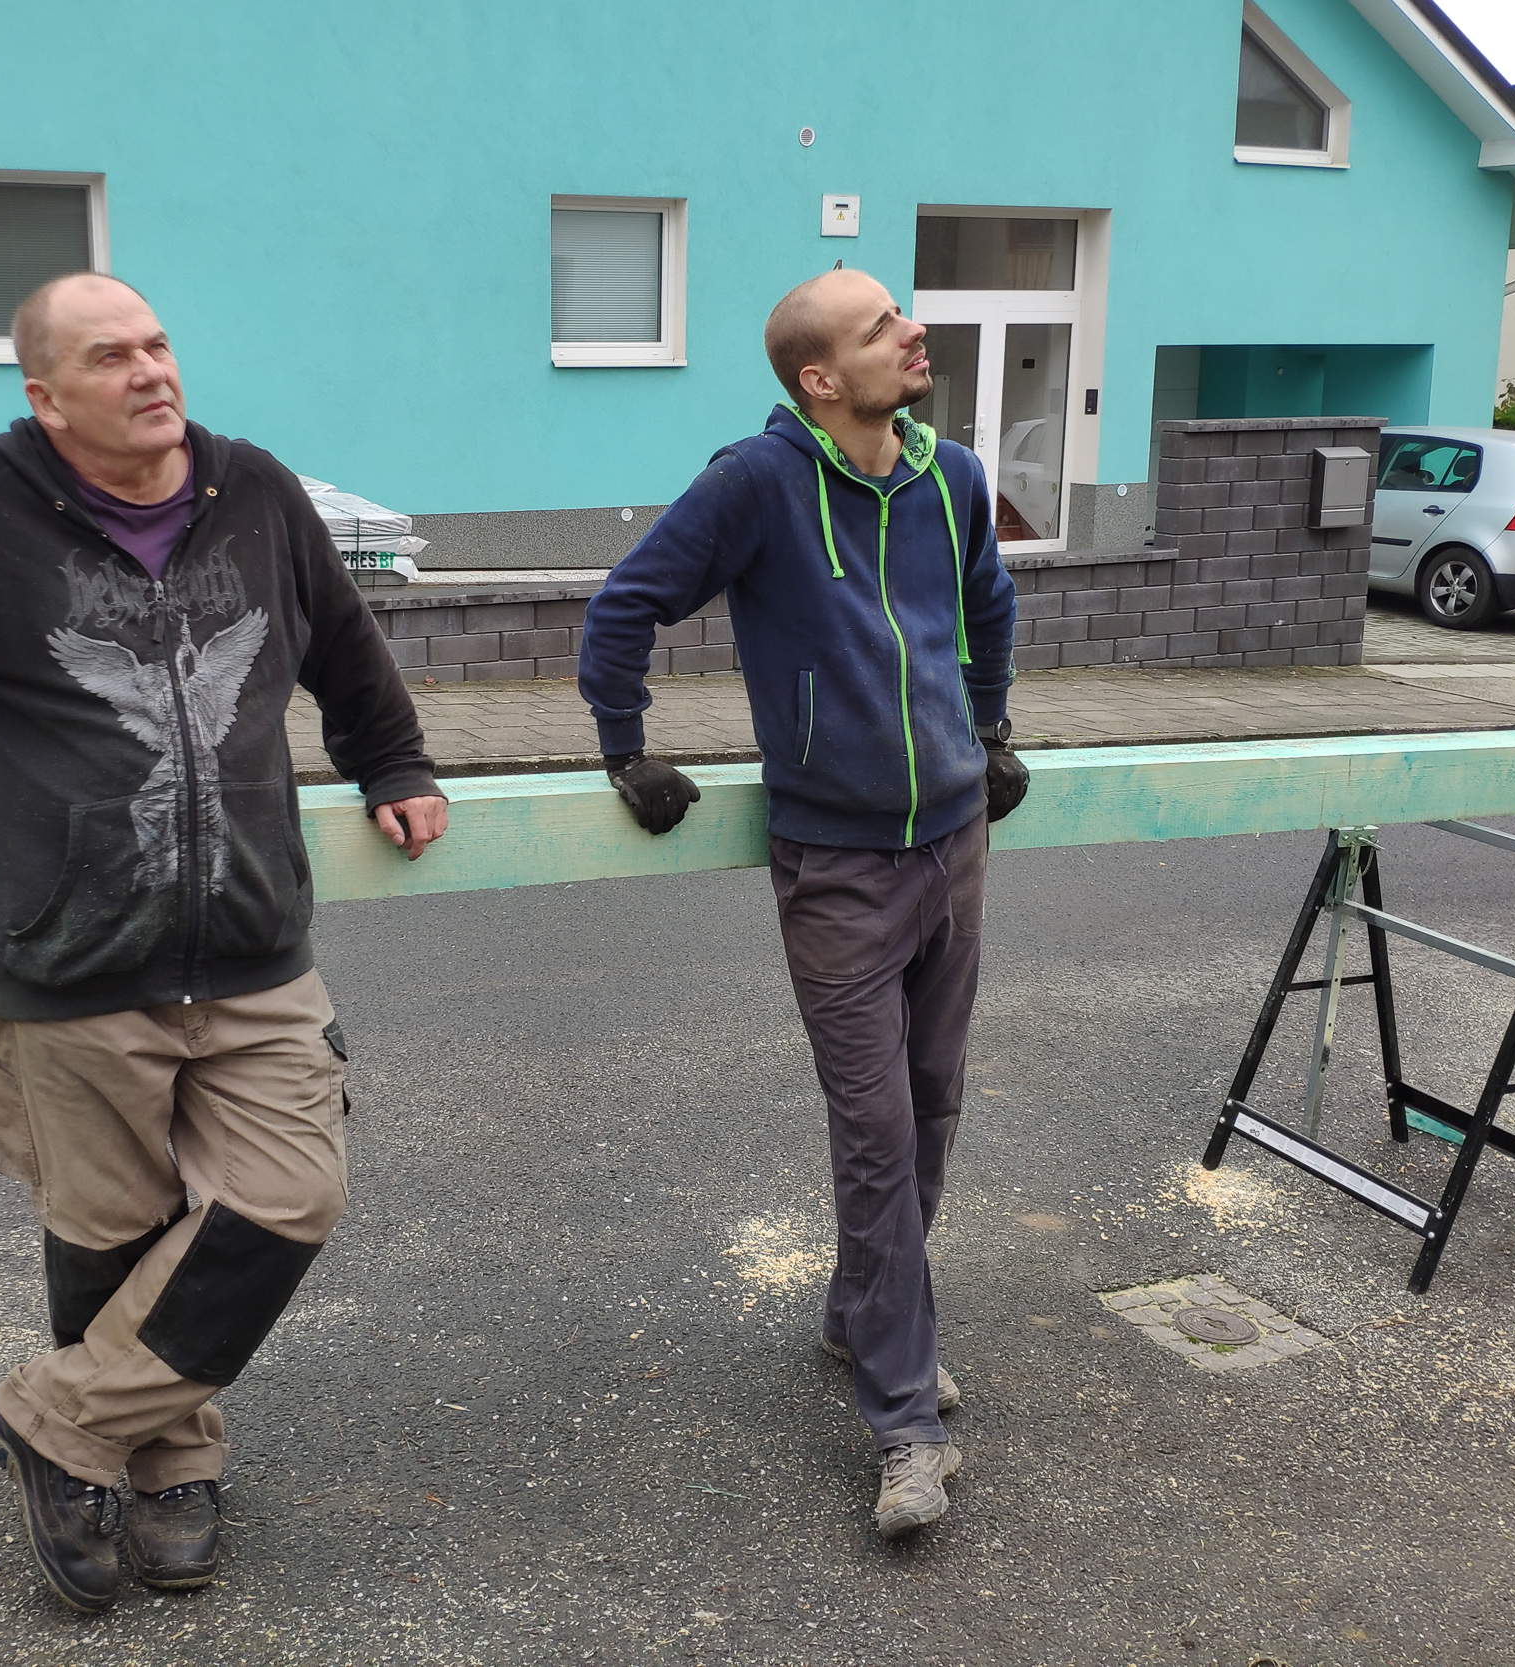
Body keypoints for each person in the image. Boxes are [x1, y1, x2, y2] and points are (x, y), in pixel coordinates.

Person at [0, 272, 448, 1609]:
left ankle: (56, 1419)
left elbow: (340, 642)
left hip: (253, 939)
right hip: (71, 947)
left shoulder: (255, 491)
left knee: (290, 1195)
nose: (151, 370)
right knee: (108, 1226)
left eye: (158, 343)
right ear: (45, 395)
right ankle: (167, 1464)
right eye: (111, 356)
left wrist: (391, 759)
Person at [577, 268, 1026, 1538]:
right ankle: (905, 1422)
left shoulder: (952, 476)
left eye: (901, 314)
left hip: (952, 844)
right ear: (820, 378)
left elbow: (987, 604)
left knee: (930, 1110)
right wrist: (626, 749)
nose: (913, 331)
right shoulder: (756, 483)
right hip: (835, 865)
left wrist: (991, 727)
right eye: (882, 327)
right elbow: (623, 606)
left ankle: (858, 1315)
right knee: (876, 1136)